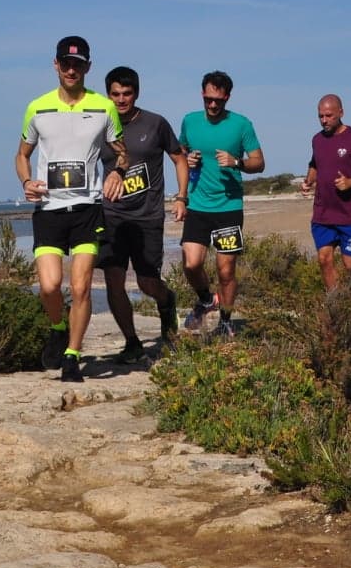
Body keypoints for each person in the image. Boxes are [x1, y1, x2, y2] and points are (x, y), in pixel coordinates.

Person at [16, 36, 126, 382]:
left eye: (78, 64)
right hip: (48, 209)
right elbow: (22, 155)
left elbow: (121, 152)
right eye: (66, 63)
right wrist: (26, 182)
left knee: (80, 287)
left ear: (88, 68)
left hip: (87, 208)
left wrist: (118, 173)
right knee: (49, 287)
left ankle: (71, 356)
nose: (71, 69)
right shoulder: (37, 107)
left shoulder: (104, 108)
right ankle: (58, 327)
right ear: (56, 65)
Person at [98, 66, 187, 362]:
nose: (121, 99)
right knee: (113, 279)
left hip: (147, 216)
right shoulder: (101, 126)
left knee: (148, 283)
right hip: (111, 217)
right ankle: (132, 342)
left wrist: (181, 197)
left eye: (127, 93)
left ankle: (167, 301)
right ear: (107, 95)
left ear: (136, 93)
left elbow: (179, 158)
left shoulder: (155, 123)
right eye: (115, 94)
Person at [178, 71, 264, 338]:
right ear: (202, 95)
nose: (213, 105)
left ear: (227, 97)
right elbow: (180, 154)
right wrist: (188, 161)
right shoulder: (190, 121)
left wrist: (236, 162)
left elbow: (259, 162)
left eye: (218, 100)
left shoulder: (241, 125)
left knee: (225, 270)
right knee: (191, 264)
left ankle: (225, 320)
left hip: (228, 207)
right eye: (208, 99)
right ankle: (206, 300)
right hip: (198, 205)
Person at [299, 94, 351, 304]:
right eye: (320, 116)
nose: (324, 120)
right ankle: (337, 305)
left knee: (350, 264)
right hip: (323, 212)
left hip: (349, 213)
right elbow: (315, 164)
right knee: (324, 259)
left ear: (341, 113)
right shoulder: (317, 140)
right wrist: (308, 181)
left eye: (329, 115)